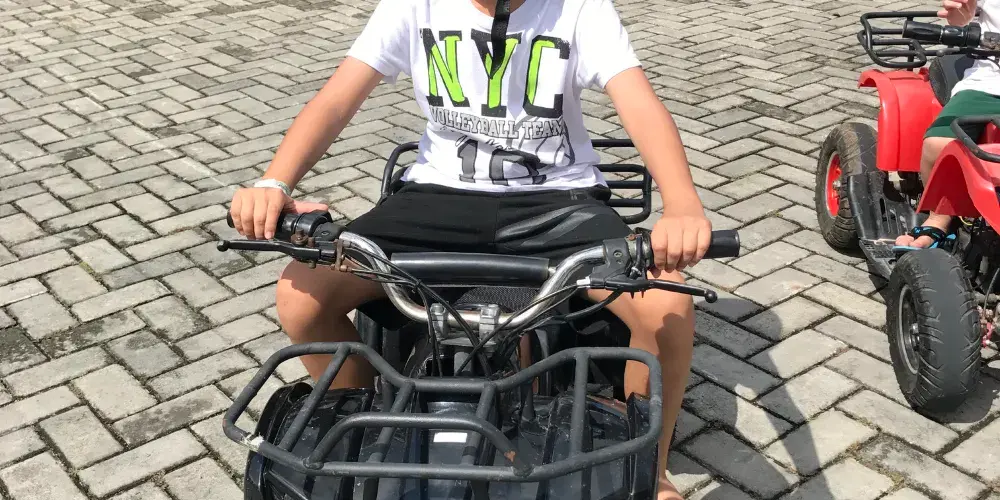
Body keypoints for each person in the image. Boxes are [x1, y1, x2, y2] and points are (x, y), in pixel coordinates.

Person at [228, 0, 712, 498]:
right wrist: (275, 182)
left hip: (557, 199)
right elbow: (336, 98)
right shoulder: (414, 6)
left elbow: (638, 102)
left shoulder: (577, 7)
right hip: (436, 197)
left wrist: (682, 204)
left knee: (667, 304)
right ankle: (359, 424)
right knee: (301, 295)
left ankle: (650, 464)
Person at [895, 0, 998, 249]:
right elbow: (960, 16)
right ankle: (939, 217)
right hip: (991, 82)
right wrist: (960, 16)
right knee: (938, 143)